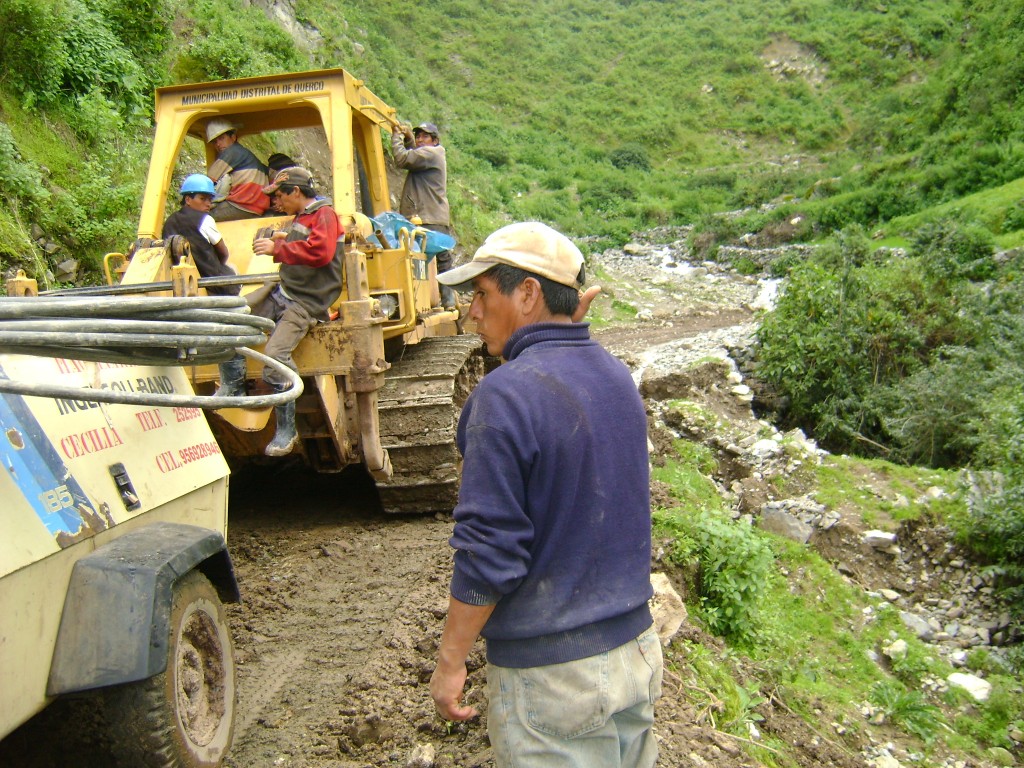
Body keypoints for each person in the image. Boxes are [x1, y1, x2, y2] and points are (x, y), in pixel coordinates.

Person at [430, 222, 662, 767]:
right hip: (637, 654)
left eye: (482, 294)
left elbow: (489, 552)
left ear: (528, 293)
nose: (471, 312)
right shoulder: (614, 375)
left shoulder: (504, 396)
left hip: (554, 681)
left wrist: (450, 660)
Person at [215, 167, 343, 456]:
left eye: (280, 196)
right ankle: (232, 386)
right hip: (283, 289)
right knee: (231, 320)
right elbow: (303, 244)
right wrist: (282, 240)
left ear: (295, 191)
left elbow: (321, 253)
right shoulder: (303, 217)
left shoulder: (325, 215)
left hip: (306, 302)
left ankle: (287, 428)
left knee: (275, 356)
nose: (276, 203)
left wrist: (278, 249)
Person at [391, 121, 458, 309]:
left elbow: (403, 159)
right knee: (442, 257)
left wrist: (397, 136)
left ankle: (413, 302)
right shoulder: (433, 154)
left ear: (435, 140)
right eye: (418, 136)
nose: (420, 140)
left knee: (414, 258)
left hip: (425, 216)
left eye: (424, 137)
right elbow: (415, 155)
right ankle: (448, 301)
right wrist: (410, 139)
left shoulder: (431, 153)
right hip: (436, 215)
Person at [161, 174, 240, 296]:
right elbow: (224, 253)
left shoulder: (169, 221)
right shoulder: (205, 220)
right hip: (210, 282)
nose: (208, 203)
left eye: (209, 199)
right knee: (233, 269)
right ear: (188, 199)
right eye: (203, 199)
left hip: (176, 280)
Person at [205, 118, 271, 221]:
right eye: (215, 141)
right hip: (256, 208)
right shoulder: (247, 156)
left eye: (221, 138)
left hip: (241, 206)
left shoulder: (232, 152)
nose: (218, 144)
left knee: (200, 217)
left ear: (233, 137)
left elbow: (208, 181)